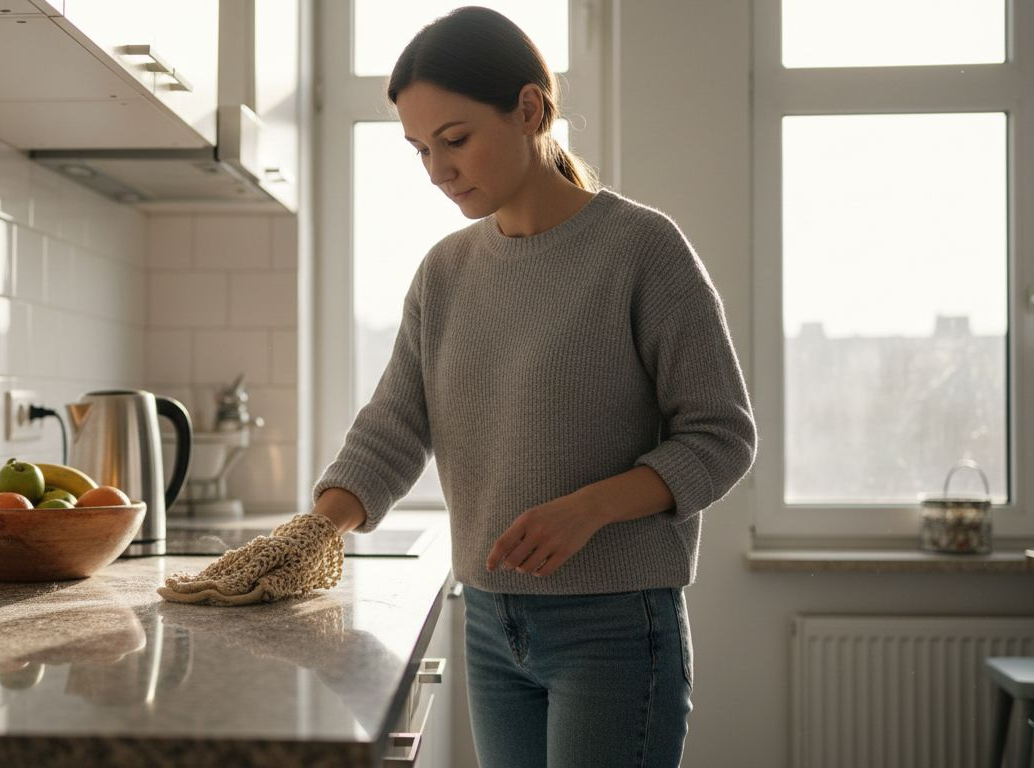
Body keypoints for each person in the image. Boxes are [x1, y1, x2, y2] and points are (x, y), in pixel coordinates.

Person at [307, 7, 758, 768]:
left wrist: (589, 509)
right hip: (487, 620)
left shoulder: (641, 249)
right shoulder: (445, 272)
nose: (437, 171)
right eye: (419, 149)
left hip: (616, 629)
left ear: (529, 109)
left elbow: (722, 437)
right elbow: (393, 425)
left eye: (454, 140)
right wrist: (312, 531)